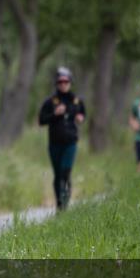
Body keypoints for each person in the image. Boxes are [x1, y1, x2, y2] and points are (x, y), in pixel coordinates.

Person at [37, 66, 86, 211]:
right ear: (57, 84)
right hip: (54, 143)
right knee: (58, 173)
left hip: (70, 141)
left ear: (70, 82)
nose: (63, 84)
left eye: (66, 82)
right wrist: (55, 114)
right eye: (60, 82)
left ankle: (65, 204)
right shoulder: (50, 101)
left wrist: (80, 118)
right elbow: (41, 120)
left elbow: (83, 114)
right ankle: (59, 204)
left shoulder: (77, 101)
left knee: (66, 172)